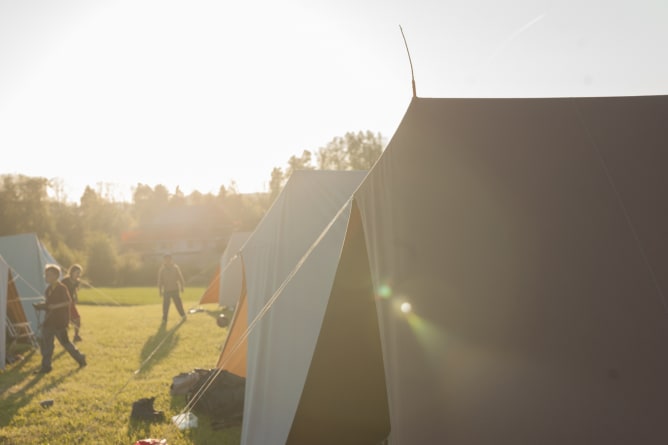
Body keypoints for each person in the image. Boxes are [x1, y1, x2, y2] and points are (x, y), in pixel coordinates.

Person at [34, 264, 86, 374]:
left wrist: (55, 306)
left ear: (56, 276)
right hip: (49, 321)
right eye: (46, 275)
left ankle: (80, 358)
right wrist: (41, 305)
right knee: (47, 344)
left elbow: (68, 302)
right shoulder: (48, 289)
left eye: (48, 275)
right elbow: (49, 304)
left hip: (60, 322)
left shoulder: (62, 288)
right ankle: (46, 367)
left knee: (66, 343)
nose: (46, 277)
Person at [157, 253, 186, 322]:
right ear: (164, 260)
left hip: (175, 290)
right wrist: (160, 291)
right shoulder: (162, 270)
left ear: (171, 259)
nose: (167, 260)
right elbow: (160, 281)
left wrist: (182, 287)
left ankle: (183, 315)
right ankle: (164, 318)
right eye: (166, 259)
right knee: (165, 306)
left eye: (169, 259)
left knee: (178, 304)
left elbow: (180, 277)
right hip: (166, 291)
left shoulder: (175, 268)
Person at [61, 264, 83, 342]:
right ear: (72, 272)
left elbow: (74, 291)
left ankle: (76, 336)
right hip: (64, 303)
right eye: (77, 272)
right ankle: (64, 338)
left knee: (77, 319)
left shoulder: (77, 282)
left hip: (71, 303)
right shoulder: (65, 281)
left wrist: (76, 298)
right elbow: (60, 291)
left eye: (79, 273)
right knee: (67, 321)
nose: (78, 274)